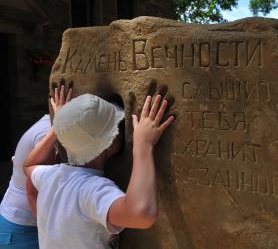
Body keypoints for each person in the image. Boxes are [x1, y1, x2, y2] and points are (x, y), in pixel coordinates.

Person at [23, 92, 174, 249]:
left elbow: (28, 165)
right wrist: (143, 145)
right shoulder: (93, 190)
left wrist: (61, 127)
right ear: (111, 140)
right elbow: (142, 215)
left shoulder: (51, 175)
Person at [0, 85, 71, 248]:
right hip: (21, 229)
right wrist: (51, 233)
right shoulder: (47, 132)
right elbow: (36, 188)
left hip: (25, 225)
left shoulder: (50, 125)